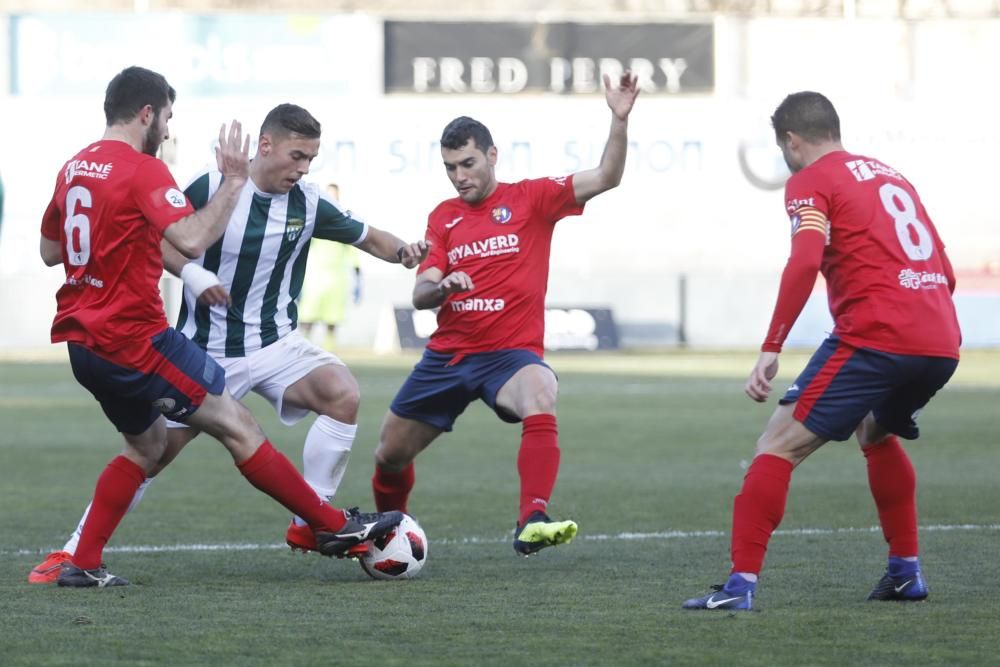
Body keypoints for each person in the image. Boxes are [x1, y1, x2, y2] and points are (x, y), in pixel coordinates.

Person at [35, 67, 402, 588]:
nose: (167, 127)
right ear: (148, 113)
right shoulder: (144, 169)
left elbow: (51, 251)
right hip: (137, 339)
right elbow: (189, 237)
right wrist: (231, 181)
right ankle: (331, 525)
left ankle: (80, 560)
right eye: (167, 117)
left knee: (146, 449)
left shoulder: (74, 167)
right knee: (239, 427)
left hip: (82, 342)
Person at [682, 92, 961, 611]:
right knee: (875, 430)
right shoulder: (892, 176)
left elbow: (805, 261)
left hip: (875, 336)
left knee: (777, 444)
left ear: (790, 140)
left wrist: (772, 346)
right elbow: (945, 273)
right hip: (942, 341)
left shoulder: (809, 180)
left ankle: (739, 586)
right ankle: (905, 573)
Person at [369, 71, 640, 556]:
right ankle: (391, 533)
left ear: (492, 156)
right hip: (449, 356)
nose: (460, 176)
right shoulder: (444, 217)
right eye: (451, 167)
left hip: (509, 356)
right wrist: (442, 285)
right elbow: (421, 293)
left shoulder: (533, 198)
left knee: (541, 390)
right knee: (390, 455)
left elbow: (607, 177)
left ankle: (532, 518)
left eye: (467, 163)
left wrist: (618, 119)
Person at [298, 182, 363, 350]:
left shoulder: (345, 223)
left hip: (336, 280)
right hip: (314, 278)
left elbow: (354, 253)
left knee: (332, 323)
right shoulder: (313, 221)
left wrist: (358, 280)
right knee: (306, 321)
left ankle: (329, 354)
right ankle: (302, 354)